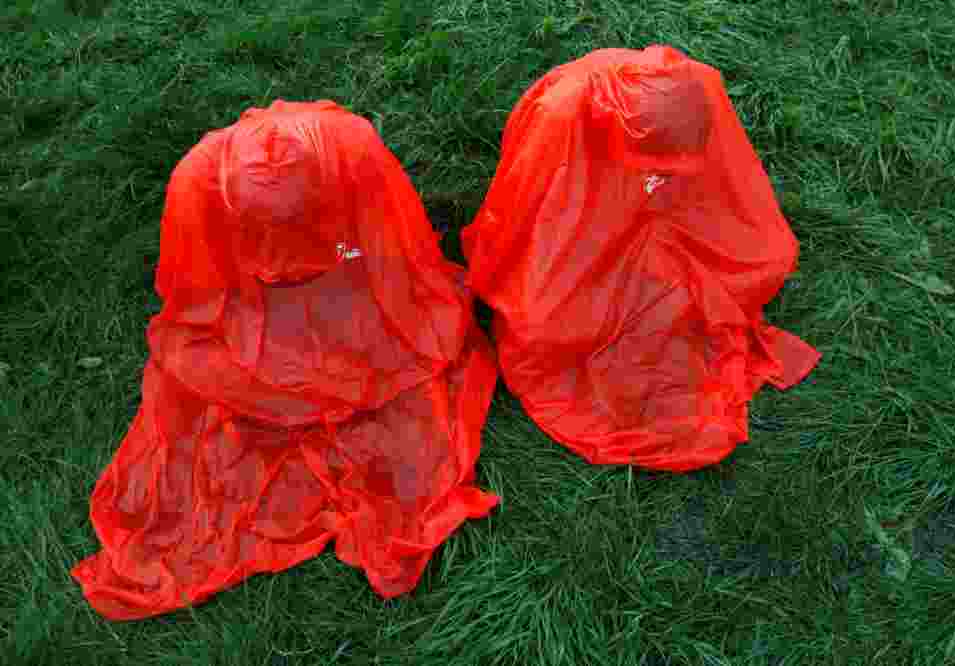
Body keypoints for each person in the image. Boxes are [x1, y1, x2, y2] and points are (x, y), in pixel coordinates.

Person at [72, 100, 499, 620]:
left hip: (345, 259)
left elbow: (381, 247)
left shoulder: (352, 157)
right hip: (261, 288)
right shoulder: (200, 183)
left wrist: (340, 265)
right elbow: (199, 285)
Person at [462, 46, 820, 472]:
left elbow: (715, 178)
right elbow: (527, 214)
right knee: (549, 323)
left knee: (764, 257)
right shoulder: (560, 118)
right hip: (573, 204)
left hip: (652, 205)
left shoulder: (694, 91)